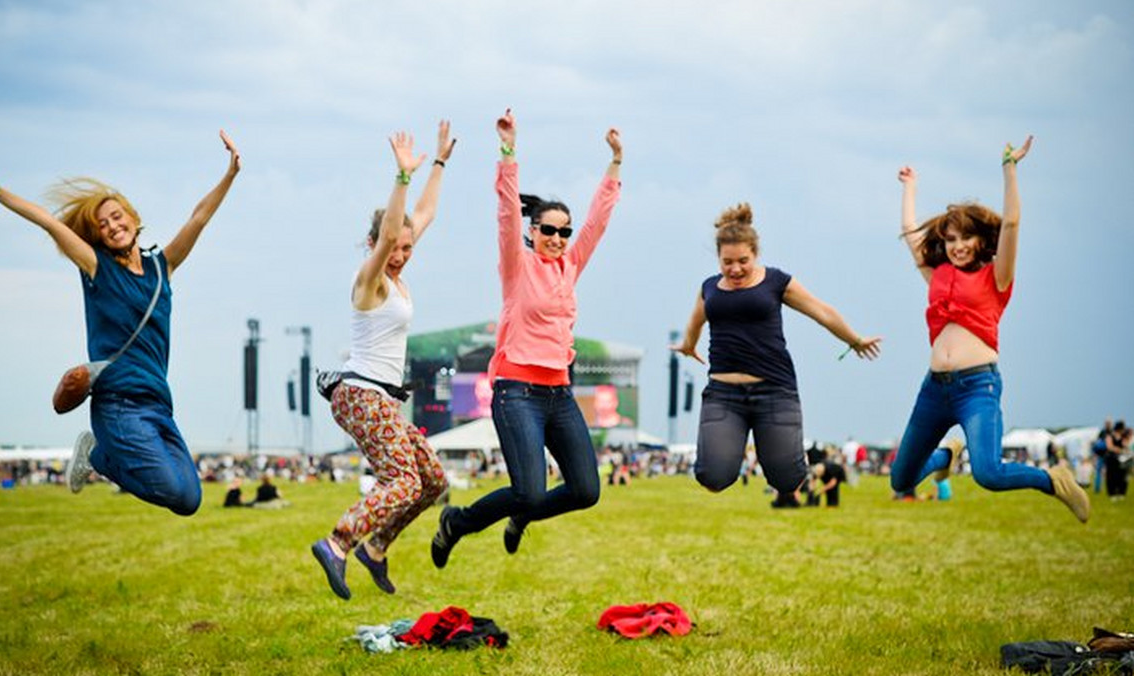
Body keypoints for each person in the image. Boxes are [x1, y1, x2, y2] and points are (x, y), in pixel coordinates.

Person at [0, 132, 241, 516]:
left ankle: (101, 456)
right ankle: (98, 455)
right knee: (174, 492)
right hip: (118, 404)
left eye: (116, 216)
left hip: (159, 403)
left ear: (132, 217)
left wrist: (230, 174)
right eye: (102, 224)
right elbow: (47, 221)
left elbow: (199, 216)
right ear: (96, 235)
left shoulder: (163, 267)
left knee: (190, 499)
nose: (111, 226)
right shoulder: (96, 267)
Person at [430, 109, 622, 567]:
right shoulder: (518, 266)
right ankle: (458, 522)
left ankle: (525, 516)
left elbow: (598, 221)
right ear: (533, 232)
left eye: (564, 232)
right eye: (549, 230)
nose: (558, 238)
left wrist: (615, 162)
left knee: (585, 490)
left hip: (558, 393)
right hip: (516, 393)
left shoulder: (570, 266)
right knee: (528, 489)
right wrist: (508, 149)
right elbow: (505, 211)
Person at [889, 137, 1091, 523]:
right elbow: (911, 234)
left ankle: (1053, 479)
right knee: (900, 478)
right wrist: (910, 187)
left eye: (966, 237)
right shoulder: (938, 276)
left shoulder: (996, 276)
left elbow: (1012, 222)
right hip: (934, 389)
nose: (957, 246)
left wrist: (1009, 168)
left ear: (982, 239)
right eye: (950, 239)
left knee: (989, 474)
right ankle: (945, 455)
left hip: (977, 388)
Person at [310, 124, 454, 600]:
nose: (401, 255)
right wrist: (401, 175)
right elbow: (394, 227)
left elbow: (423, 215)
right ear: (374, 244)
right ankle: (337, 543)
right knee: (404, 479)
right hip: (360, 393)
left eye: (408, 249)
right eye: (393, 248)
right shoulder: (370, 279)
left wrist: (439, 163)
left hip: (382, 401)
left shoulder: (402, 262)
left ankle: (376, 549)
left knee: (432, 481)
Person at [671, 203, 881, 509]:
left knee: (786, 480)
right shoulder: (709, 288)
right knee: (712, 477)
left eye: (743, 260)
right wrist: (689, 346)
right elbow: (695, 321)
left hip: (774, 390)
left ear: (756, 254)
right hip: (723, 394)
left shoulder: (776, 282)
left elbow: (821, 311)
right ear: (718, 258)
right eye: (727, 262)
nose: (735, 269)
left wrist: (855, 339)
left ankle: (799, 465)